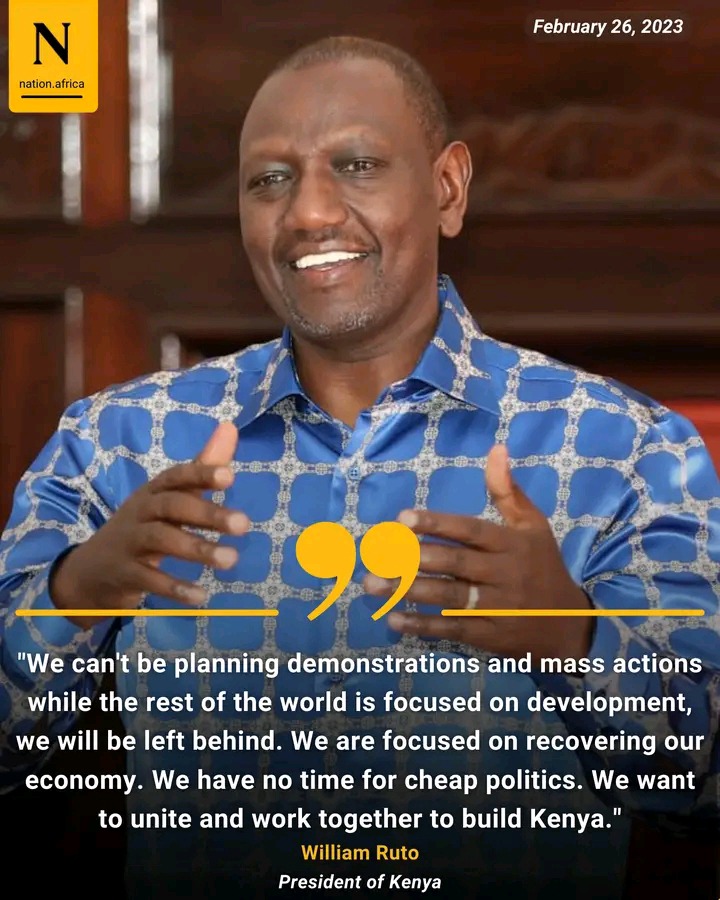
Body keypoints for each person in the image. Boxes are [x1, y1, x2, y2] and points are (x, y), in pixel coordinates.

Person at [1, 35, 719, 899]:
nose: (308, 213)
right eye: (270, 179)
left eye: (357, 165)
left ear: (447, 189)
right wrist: (74, 594)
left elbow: (708, 787)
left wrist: (574, 636)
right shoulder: (118, 441)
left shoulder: (628, 448)